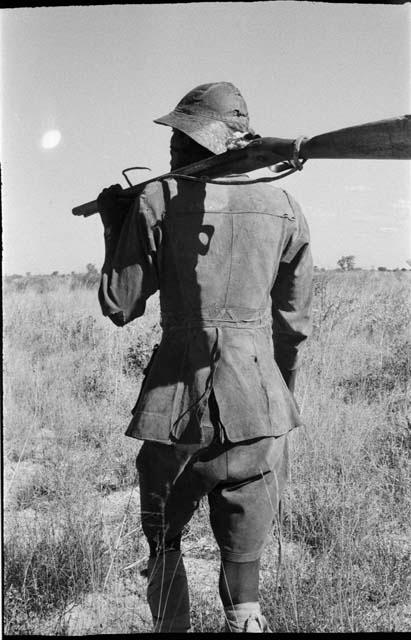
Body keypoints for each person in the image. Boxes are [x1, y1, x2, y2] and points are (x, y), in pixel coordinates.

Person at [97, 82, 313, 633]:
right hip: (259, 411)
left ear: (205, 141)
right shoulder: (285, 207)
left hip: (175, 411)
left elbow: (120, 306)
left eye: (180, 134)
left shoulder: (157, 199)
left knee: (165, 544)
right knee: (245, 563)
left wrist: (112, 227)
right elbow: (293, 327)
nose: (172, 144)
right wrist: (275, 398)